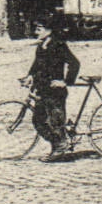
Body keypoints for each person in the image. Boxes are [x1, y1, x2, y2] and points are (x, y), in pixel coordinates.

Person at [24, 14, 81, 160]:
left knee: (55, 122)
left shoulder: (58, 44)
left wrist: (66, 82)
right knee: (38, 121)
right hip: (43, 89)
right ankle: (59, 144)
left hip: (55, 91)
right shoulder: (41, 45)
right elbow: (37, 64)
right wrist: (30, 75)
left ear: (49, 30)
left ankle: (60, 147)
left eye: (39, 29)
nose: (36, 32)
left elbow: (74, 63)